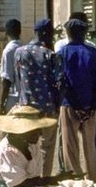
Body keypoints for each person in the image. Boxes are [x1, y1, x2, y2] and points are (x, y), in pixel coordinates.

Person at [55, 12, 96, 173]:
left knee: (70, 145)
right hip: (90, 105)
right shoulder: (92, 52)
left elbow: (62, 82)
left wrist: (75, 106)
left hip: (69, 104)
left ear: (68, 34)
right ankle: (93, 179)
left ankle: (74, 178)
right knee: (90, 145)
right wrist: (91, 106)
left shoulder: (62, 53)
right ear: (84, 33)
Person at [14, 19, 61, 177]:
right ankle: (44, 181)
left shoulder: (19, 52)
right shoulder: (50, 55)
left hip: (26, 108)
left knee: (27, 146)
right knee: (46, 148)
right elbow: (58, 83)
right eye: (51, 35)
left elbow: (18, 80)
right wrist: (57, 106)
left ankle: (28, 179)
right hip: (47, 109)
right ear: (45, 34)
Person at [0, 19, 22, 115]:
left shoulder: (8, 51)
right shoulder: (24, 48)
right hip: (24, 98)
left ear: (6, 33)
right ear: (20, 32)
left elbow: (7, 80)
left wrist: (1, 103)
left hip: (12, 99)